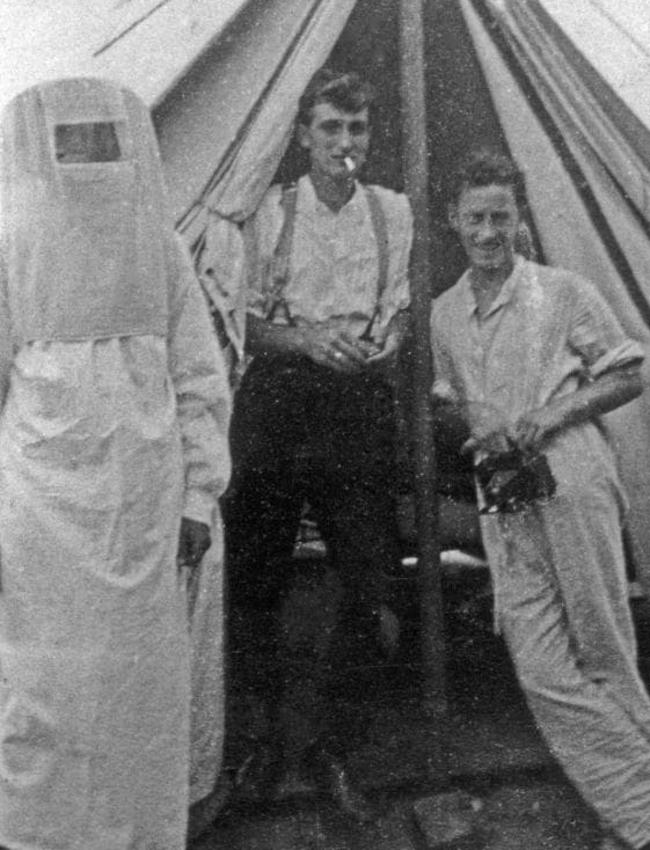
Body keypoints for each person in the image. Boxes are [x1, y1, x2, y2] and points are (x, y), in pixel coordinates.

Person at [0, 77, 231, 849]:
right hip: (41, 523)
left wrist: (198, 497)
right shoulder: (8, 242)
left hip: (144, 516)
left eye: (105, 140)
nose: (90, 159)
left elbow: (200, 382)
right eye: (74, 142)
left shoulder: (158, 247)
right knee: (44, 698)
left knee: (137, 701)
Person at [430, 148, 650, 850]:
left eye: (501, 216)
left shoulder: (562, 291)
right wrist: (477, 427)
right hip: (504, 488)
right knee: (541, 663)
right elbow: (449, 403)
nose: (489, 233)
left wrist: (551, 416)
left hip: (571, 471)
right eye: (476, 219)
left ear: (519, 215)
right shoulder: (445, 314)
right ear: (453, 222)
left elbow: (629, 372)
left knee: (602, 646)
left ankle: (635, 818)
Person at [224, 68, 413, 822]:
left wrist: (381, 344)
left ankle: (336, 747)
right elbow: (240, 323)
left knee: (372, 580)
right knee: (256, 578)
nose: (344, 144)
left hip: (355, 407)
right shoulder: (271, 211)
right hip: (278, 400)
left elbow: (396, 312)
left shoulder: (391, 212)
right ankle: (263, 741)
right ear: (303, 134)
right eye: (330, 128)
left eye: (357, 130)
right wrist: (305, 340)